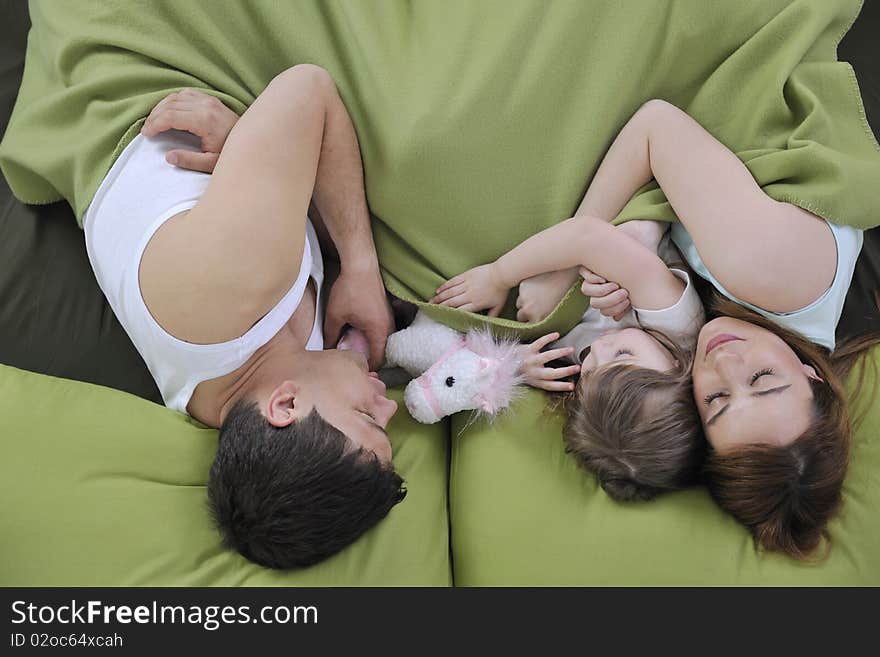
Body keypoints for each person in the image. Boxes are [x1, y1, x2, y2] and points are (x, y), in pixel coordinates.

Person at [446, 99, 879, 558]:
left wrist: (645, 231)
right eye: (762, 380)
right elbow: (655, 126)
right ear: (814, 377)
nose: (724, 363)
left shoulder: (728, 333)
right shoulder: (768, 276)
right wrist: (562, 272)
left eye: (716, 401)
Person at [83, 65, 406, 569]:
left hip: (140, 86)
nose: (389, 407)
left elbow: (308, 89)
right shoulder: (257, 388)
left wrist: (361, 265)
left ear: (285, 405)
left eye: (366, 418)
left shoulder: (222, 297)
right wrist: (256, 159)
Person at [433, 183, 707, 501]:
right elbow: (587, 237)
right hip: (610, 204)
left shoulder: (587, 385)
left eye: (589, 371)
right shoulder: (678, 326)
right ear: (678, 369)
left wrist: (517, 364)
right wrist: (499, 276)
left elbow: (462, 363)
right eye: (622, 353)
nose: (599, 348)